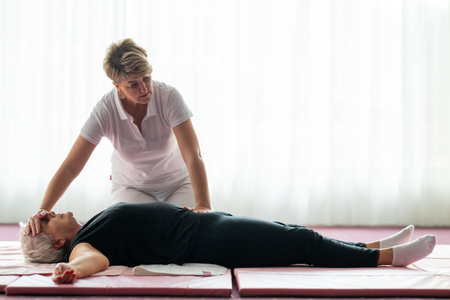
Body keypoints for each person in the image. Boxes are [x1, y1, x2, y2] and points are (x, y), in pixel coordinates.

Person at [26, 38, 211, 236]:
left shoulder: (169, 97)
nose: (144, 89)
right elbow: (71, 166)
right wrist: (42, 210)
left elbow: (193, 155)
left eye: (146, 79)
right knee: (140, 236)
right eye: (133, 84)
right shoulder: (105, 110)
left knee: (192, 231)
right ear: (117, 86)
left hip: (177, 183)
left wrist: (203, 206)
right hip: (132, 188)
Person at [20, 202, 436, 284]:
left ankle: (373, 246)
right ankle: (387, 258)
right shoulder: (81, 247)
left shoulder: (89, 226)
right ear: (57, 241)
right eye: (49, 217)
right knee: (301, 243)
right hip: (209, 239)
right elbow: (91, 262)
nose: (53, 209)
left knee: (292, 231)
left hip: (209, 226)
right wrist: (70, 270)